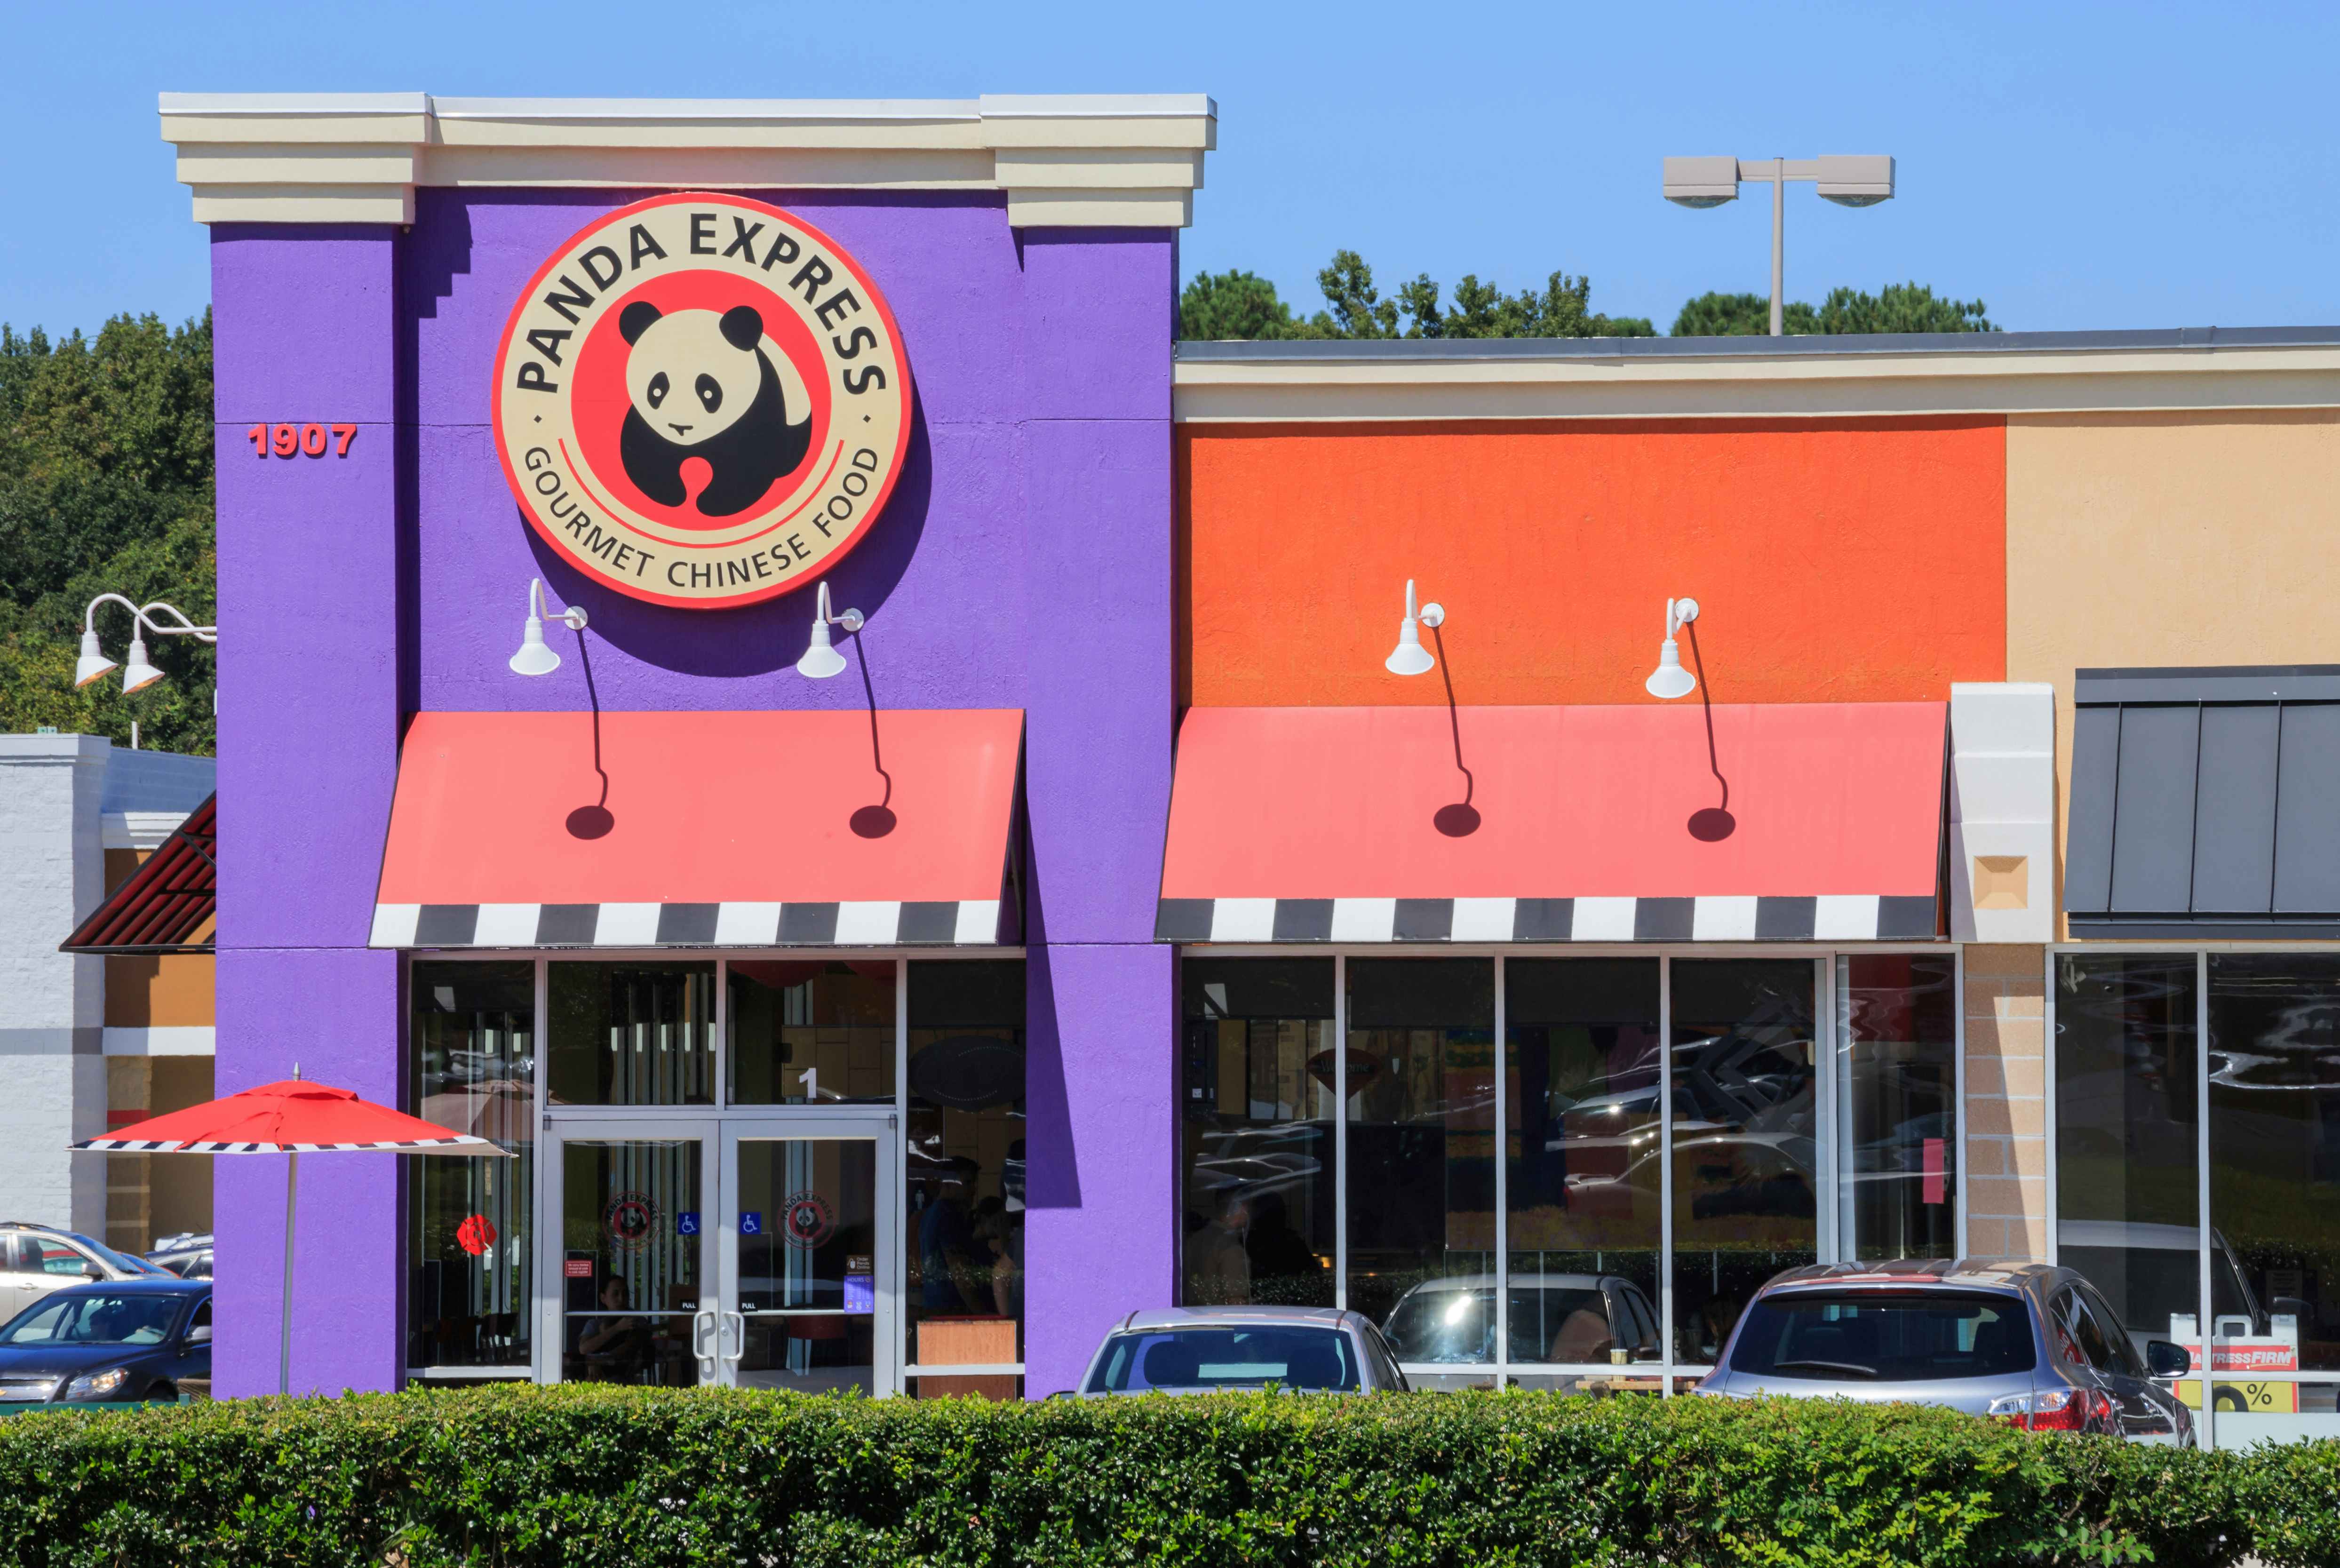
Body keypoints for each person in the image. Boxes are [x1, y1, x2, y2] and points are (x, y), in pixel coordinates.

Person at [919, 1162, 981, 1313]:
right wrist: (980, 1312)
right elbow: (958, 1269)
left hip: (936, 1305)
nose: (973, 1189)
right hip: (950, 1309)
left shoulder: (931, 1214)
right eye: (967, 1183)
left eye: (974, 1183)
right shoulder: (947, 1215)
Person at [1189, 1186, 1252, 1304]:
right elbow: (1236, 1302)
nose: (1248, 1213)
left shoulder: (1195, 1239)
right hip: (1221, 1319)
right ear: (1238, 1207)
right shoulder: (1230, 1247)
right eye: (1247, 1206)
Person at [578, 1276, 647, 1381]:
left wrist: (597, 1362)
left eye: (625, 1294)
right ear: (603, 1298)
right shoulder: (594, 1324)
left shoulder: (637, 1321)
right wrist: (617, 1328)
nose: (621, 1299)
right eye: (616, 1294)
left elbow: (630, 1348)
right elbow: (584, 1349)